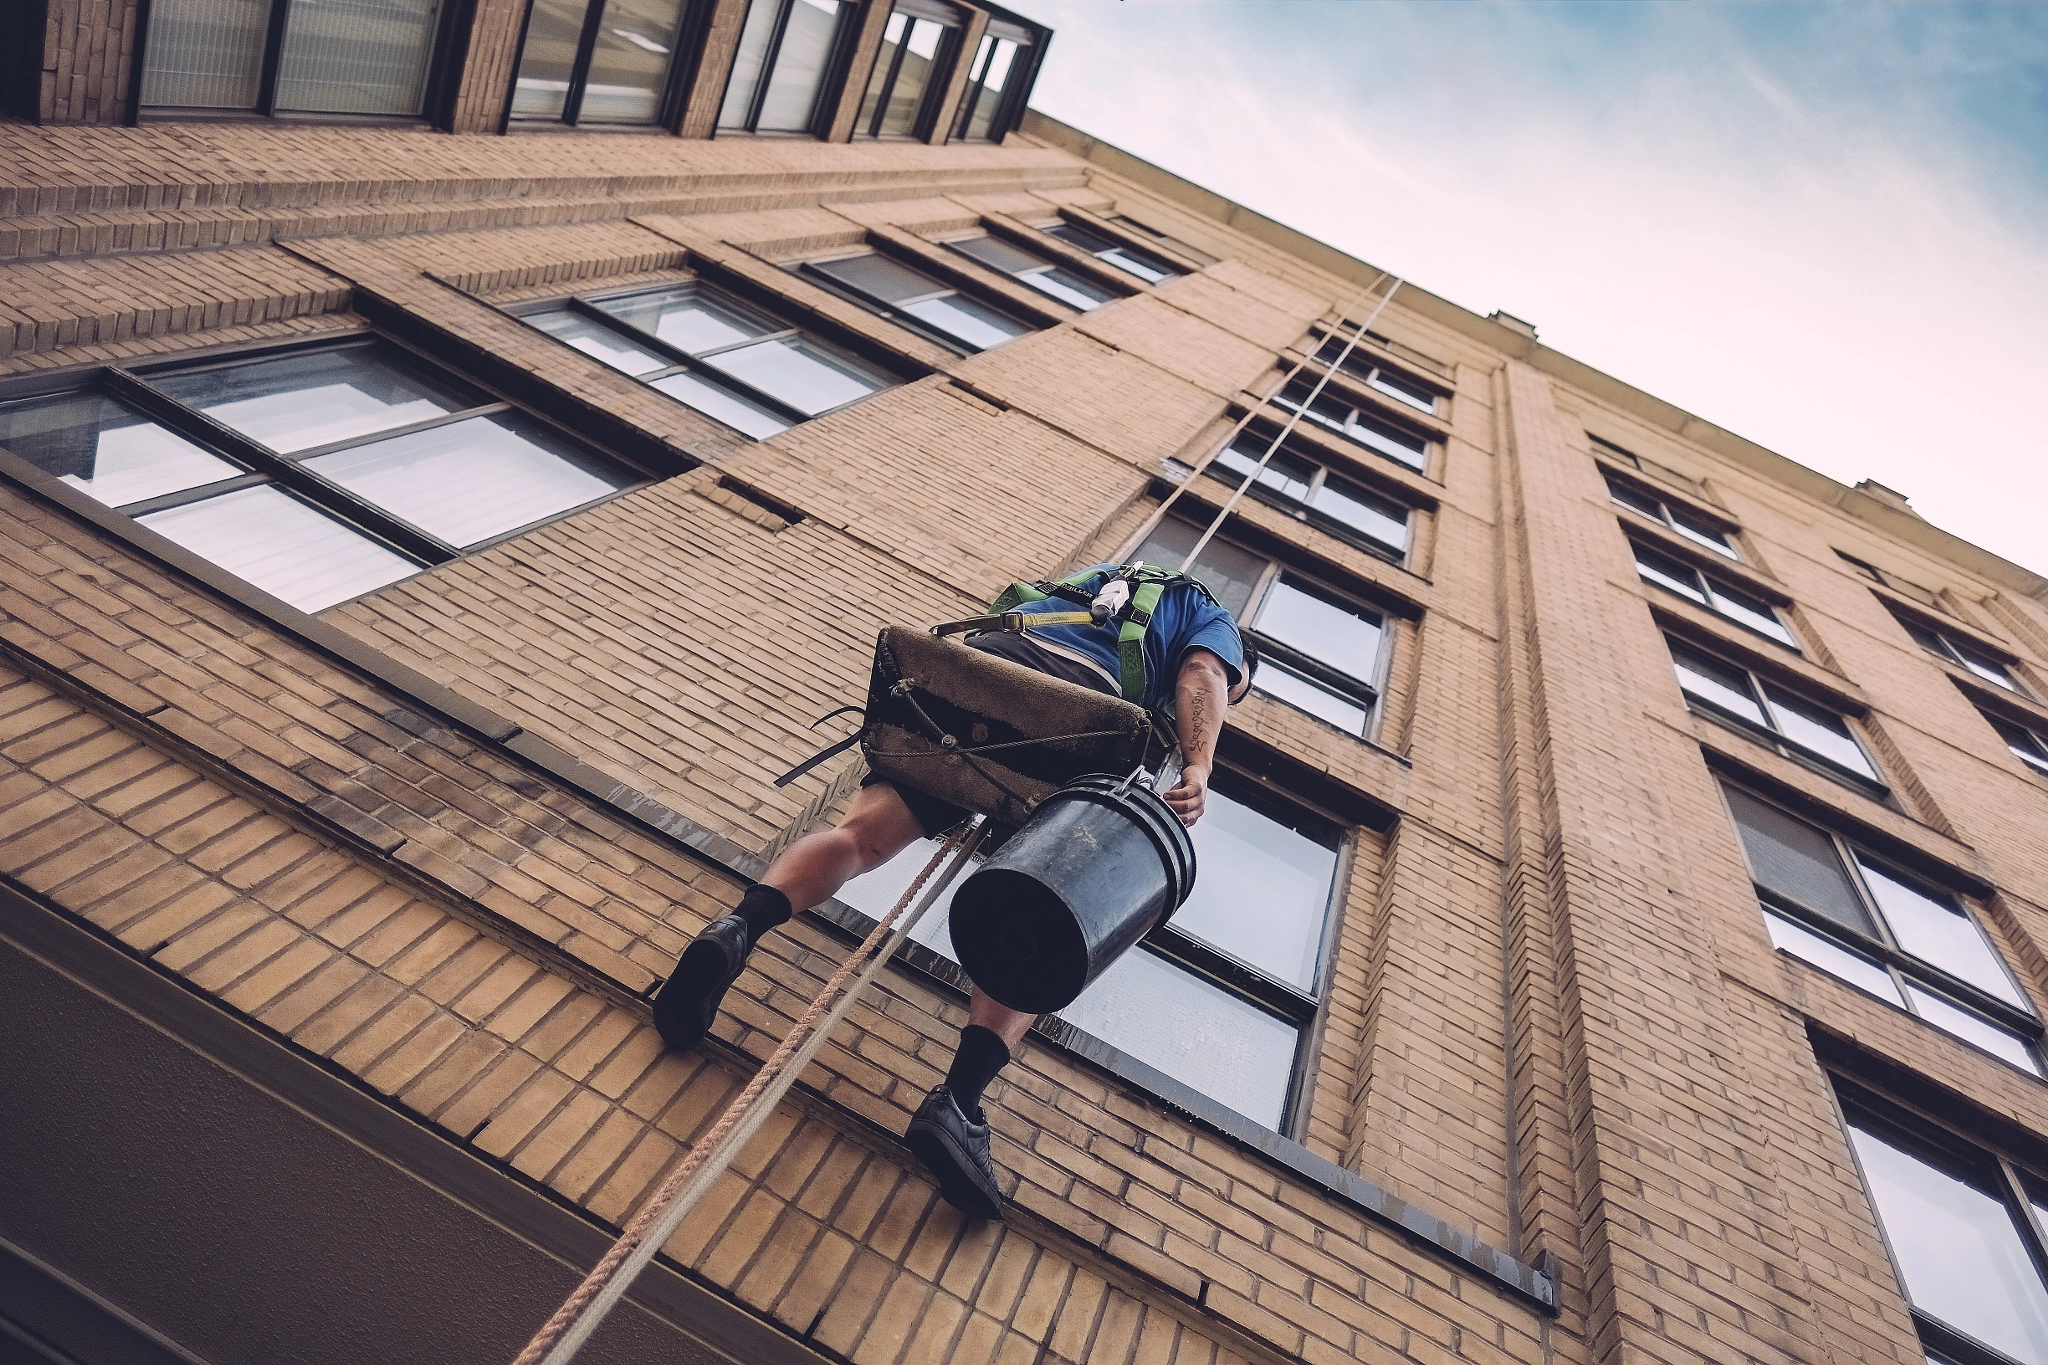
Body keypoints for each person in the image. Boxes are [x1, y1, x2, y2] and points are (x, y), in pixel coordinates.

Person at [652, 561, 1256, 1219]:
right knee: (1040, 910)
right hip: (1077, 708)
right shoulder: (1209, 617)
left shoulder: (1106, 577)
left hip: (980, 675)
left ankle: (737, 928)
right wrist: (1198, 762)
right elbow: (1203, 675)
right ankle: (959, 1104)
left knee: (859, 837)